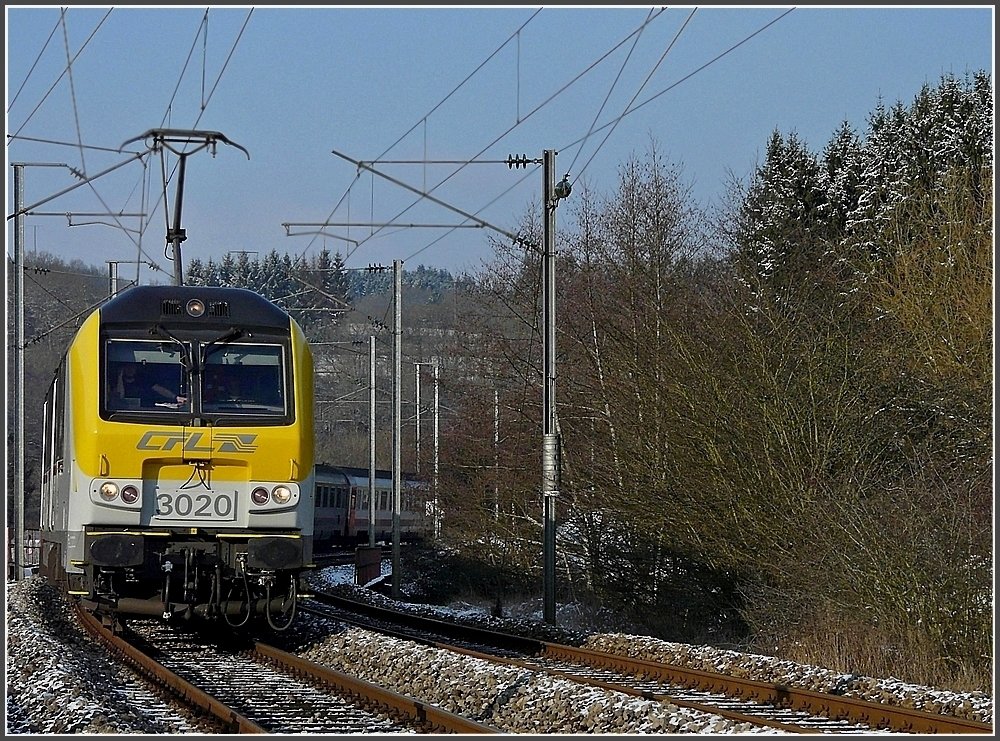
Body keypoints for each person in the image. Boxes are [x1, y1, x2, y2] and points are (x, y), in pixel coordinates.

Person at [116, 362, 186, 406]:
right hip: (125, 410)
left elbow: (159, 389)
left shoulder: (142, 380)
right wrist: (119, 376)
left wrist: (176, 397)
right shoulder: (117, 382)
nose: (130, 369)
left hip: (147, 409)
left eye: (132, 367)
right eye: (127, 367)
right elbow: (119, 396)